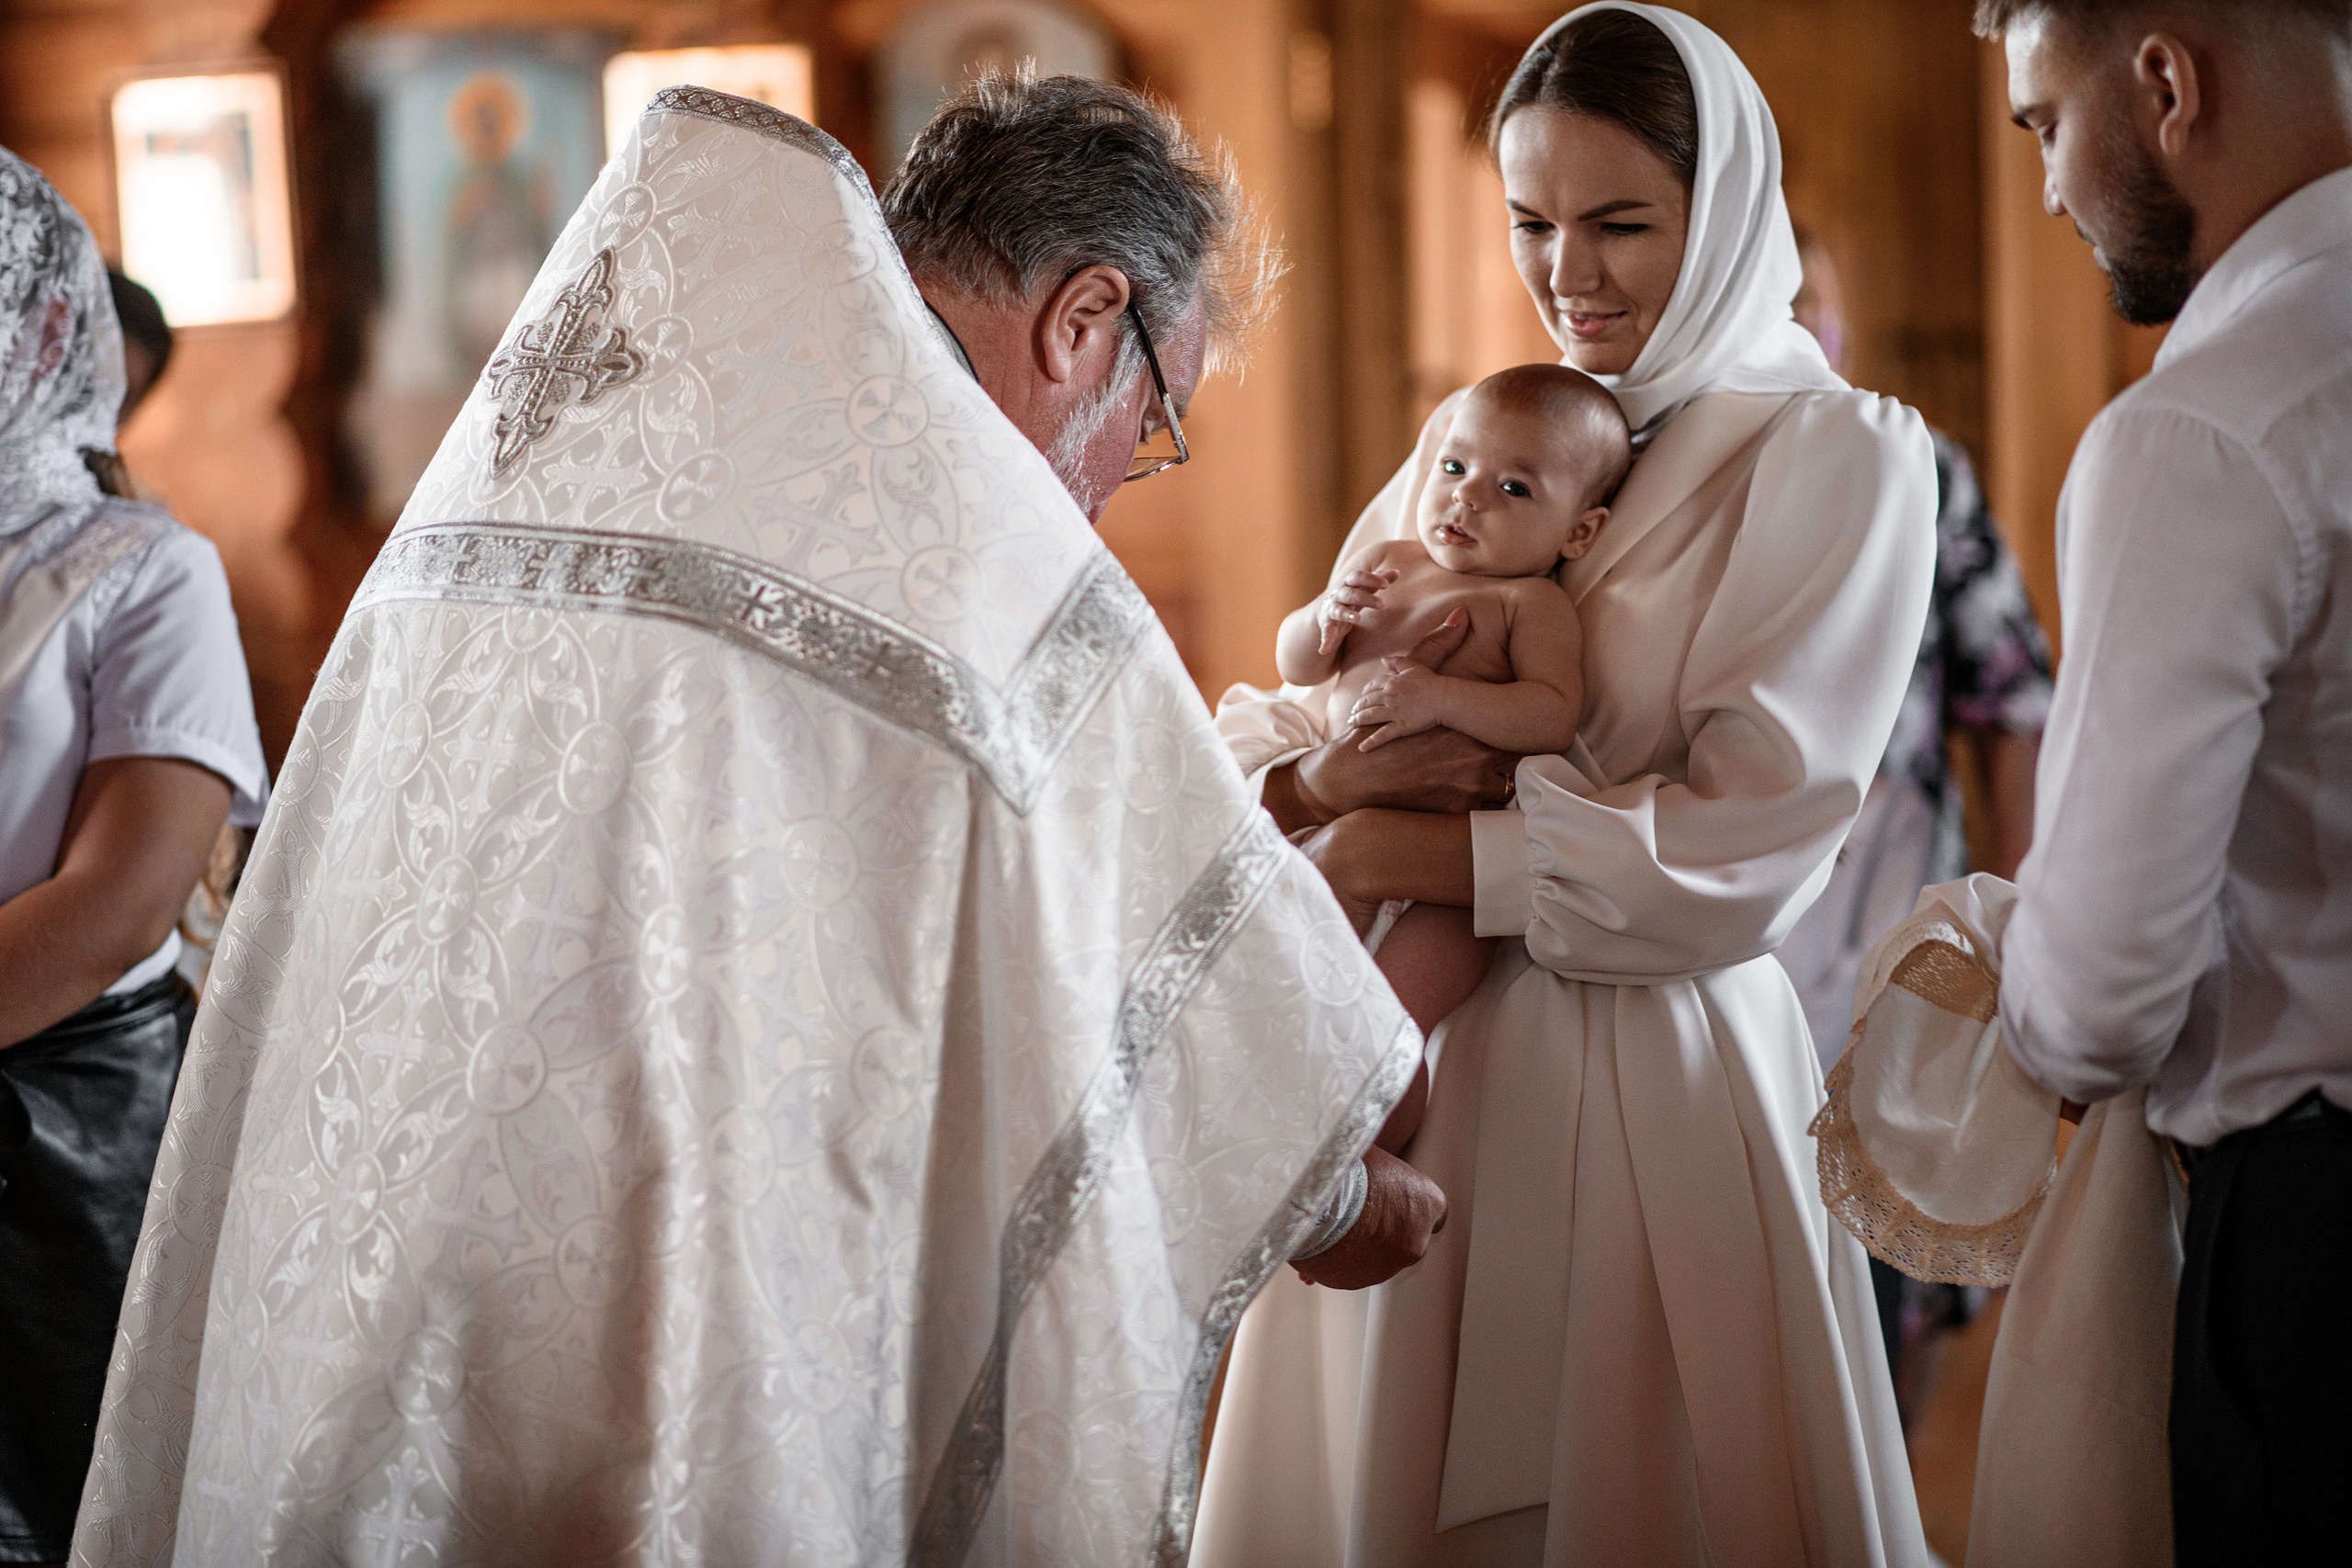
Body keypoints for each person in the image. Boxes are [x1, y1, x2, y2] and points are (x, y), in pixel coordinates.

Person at [69, 79, 1438, 1567]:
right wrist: (1335, 1189)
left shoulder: (567, 457)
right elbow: (1154, 965)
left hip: (364, 1286)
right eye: (1155, 419)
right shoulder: (957, 539)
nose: (1115, 488)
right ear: (1083, 320)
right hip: (676, 1308)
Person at [1196, 6, 1938, 1564]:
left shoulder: (1837, 455)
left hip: (1655, 1077)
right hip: (1417, 1074)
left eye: (1621, 223)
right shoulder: (1486, 425)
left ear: (1723, 212)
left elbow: (1748, 842)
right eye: (1532, 221)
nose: (1568, 273)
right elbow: (1299, 704)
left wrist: (1386, 841)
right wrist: (1318, 775)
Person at [1972, 2, 2352, 1562]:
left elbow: (2100, 998)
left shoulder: (2201, 430)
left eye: (2045, 124)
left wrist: (1999, 980)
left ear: (2167, 82)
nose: (2049, 189)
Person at [0, 152, 267, 1567]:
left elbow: (123, 896)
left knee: (74, 1503)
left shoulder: (147, 568)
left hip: (66, 1124)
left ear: (47, 328)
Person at [1778, 231, 2054, 1425]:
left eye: (1815, 302)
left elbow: (2015, 706)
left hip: (1898, 920)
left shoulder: (1922, 472)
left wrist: (2012, 926)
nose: (1800, 327)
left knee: (1899, 1254)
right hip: (1739, 937)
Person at [1273, 363, 1630, 1166]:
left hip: (1441, 883)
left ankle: (1371, 1159)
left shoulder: (1527, 604)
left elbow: (1550, 712)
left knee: (1389, 1027)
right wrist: (1322, 617)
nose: (1467, 498)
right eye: (1455, 466)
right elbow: (1297, 667)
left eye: (1514, 488)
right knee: (1299, 992)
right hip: (1336, 832)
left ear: (1578, 534)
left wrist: (1439, 698)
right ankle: (1290, 1145)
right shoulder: (1389, 561)